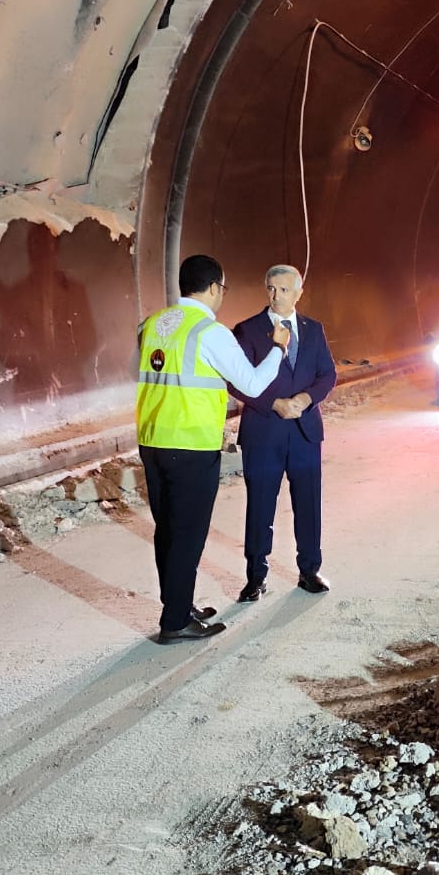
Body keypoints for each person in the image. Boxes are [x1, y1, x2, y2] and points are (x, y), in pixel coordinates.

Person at [136, 254, 287, 642]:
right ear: (215, 287)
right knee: (187, 533)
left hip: (152, 441)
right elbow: (252, 385)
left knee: (167, 531)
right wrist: (278, 349)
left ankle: (177, 605)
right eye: (223, 288)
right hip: (190, 444)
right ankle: (175, 623)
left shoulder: (152, 324)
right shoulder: (209, 331)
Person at [229, 265, 337, 600]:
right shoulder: (247, 330)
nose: (276, 296)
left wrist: (305, 399)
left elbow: (327, 375)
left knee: (308, 503)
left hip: (304, 431)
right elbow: (236, 381)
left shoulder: (314, 330)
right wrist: (274, 403)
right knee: (260, 504)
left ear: (299, 292)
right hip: (264, 430)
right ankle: (256, 575)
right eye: (271, 289)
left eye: (284, 290)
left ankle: (309, 570)